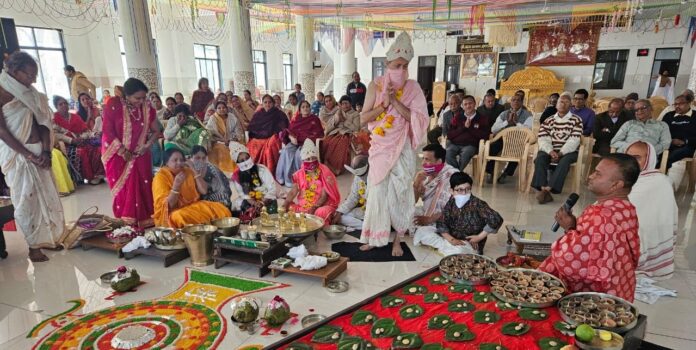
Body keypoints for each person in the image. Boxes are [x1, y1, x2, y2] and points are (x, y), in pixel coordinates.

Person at [359, 31, 429, 256]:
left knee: (400, 193)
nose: (401, 70)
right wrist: (384, 105)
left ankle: (398, 239)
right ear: (387, 63)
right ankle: (374, 236)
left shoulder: (413, 88)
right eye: (397, 65)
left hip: (402, 147)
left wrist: (396, 102)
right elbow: (363, 118)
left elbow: (418, 118)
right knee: (377, 192)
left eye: (405, 66)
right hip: (380, 146)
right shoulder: (375, 86)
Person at [538, 154, 641, 302]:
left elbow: (570, 262)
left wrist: (569, 229)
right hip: (619, 290)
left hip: (595, 299)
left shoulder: (601, 214)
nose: (591, 176)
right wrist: (575, 227)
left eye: (598, 174)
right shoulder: (626, 208)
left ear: (616, 185)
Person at [0, 52, 65, 262]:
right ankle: (33, 246)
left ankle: (51, 239)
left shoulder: (32, 94)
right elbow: (1, 130)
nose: (33, 80)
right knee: (26, 202)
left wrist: (46, 151)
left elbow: (43, 123)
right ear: (14, 71)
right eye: (29, 75)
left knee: (48, 197)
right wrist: (27, 154)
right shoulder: (1, 91)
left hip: (39, 151)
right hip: (18, 156)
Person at [102, 78, 160, 228]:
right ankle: (126, 218)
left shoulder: (147, 106)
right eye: (137, 98)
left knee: (143, 184)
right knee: (124, 187)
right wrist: (121, 151)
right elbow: (107, 131)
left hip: (141, 153)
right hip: (117, 154)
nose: (141, 101)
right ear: (126, 95)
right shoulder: (113, 105)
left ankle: (145, 218)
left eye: (143, 98)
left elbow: (156, 131)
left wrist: (147, 145)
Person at [626, 141, 676, 280]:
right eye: (628, 157)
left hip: (641, 238)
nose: (631, 162)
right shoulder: (626, 178)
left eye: (637, 158)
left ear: (649, 159)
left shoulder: (659, 182)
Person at [427, 172, 503, 255]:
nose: (464, 193)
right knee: (423, 231)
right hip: (453, 239)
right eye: (459, 190)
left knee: (458, 252)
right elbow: (442, 222)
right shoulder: (451, 203)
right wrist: (451, 240)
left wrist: (479, 237)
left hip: (470, 244)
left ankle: (449, 249)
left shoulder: (477, 204)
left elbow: (496, 219)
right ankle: (447, 246)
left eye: (468, 189)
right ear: (451, 191)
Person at [152, 148, 231, 228]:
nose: (179, 163)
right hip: (174, 212)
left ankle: (205, 228)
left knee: (222, 209)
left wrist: (193, 169)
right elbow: (167, 207)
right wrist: (176, 187)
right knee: (179, 217)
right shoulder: (160, 177)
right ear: (166, 162)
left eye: (181, 160)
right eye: (175, 160)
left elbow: (203, 191)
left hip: (194, 207)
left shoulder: (187, 171)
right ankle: (202, 228)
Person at [532, 93, 583, 204]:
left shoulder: (576, 120)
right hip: (550, 150)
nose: (563, 104)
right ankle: (543, 187)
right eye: (561, 101)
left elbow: (574, 140)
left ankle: (548, 190)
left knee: (565, 161)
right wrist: (550, 151)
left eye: (566, 102)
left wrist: (560, 153)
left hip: (569, 151)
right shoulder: (549, 120)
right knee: (540, 158)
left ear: (571, 105)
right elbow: (543, 138)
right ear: (556, 105)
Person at [412, 144, 460, 251]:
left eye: (427, 159)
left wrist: (429, 219)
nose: (423, 163)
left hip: (444, 220)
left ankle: (450, 244)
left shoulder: (452, 176)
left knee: (422, 233)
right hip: (427, 214)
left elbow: (453, 208)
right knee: (402, 215)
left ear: (439, 161)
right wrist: (416, 182)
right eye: (423, 159)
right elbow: (412, 202)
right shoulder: (426, 176)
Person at [283, 139, 340, 226]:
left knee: (321, 212)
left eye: (313, 158)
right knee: (288, 208)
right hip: (304, 206)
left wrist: (314, 207)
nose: (311, 161)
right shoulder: (299, 174)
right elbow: (293, 191)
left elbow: (324, 196)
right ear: (303, 160)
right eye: (308, 159)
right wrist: (285, 204)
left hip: (320, 205)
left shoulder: (324, 172)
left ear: (317, 158)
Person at [52, 95, 105, 185]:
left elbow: (86, 130)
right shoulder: (54, 119)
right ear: (56, 107)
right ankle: (87, 177)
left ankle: (98, 176)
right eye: (60, 104)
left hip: (80, 141)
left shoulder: (75, 117)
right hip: (65, 145)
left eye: (65, 103)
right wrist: (71, 140)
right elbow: (55, 135)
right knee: (82, 152)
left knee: (96, 149)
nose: (64, 105)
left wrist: (83, 137)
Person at [486, 94, 534, 183]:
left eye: (518, 100)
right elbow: (493, 129)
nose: (515, 102)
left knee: (518, 151)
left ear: (522, 102)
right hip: (503, 139)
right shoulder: (504, 113)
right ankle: (490, 172)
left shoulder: (528, 115)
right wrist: (506, 122)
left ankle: (506, 173)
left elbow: (528, 130)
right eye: (513, 100)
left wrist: (516, 123)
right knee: (492, 147)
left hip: (519, 140)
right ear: (510, 102)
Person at [276, 100, 324, 187]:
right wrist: (291, 137)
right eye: (303, 107)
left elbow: (318, 133)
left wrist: (301, 138)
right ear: (300, 109)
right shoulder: (296, 119)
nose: (305, 108)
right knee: (286, 150)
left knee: (299, 153)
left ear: (310, 108)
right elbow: (290, 131)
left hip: (308, 142)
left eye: (307, 106)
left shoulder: (314, 119)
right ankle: (287, 179)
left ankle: (301, 178)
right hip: (295, 142)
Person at [229, 141, 279, 221]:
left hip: (266, 199)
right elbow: (244, 195)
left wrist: (262, 202)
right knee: (237, 204)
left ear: (250, 156)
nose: (245, 162)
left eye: (246, 158)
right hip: (251, 202)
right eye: (241, 160)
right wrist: (255, 203)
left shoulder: (262, 170)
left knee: (270, 213)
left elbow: (272, 189)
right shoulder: (236, 176)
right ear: (237, 163)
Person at [443, 94, 490, 171]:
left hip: (470, 145)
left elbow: (485, 135)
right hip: (455, 144)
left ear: (475, 104)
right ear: (463, 106)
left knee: (466, 153)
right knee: (447, 153)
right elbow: (450, 135)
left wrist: (470, 128)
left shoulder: (482, 118)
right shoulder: (458, 117)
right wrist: (464, 127)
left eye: (470, 103)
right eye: (465, 104)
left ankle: (456, 173)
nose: (468, 106)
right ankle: (457, 173)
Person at [246, 94, 290, 174]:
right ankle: (254, 169)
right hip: (258, 137)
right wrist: (258, 135)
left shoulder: (279, 114)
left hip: (272, 137)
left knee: (270, 144)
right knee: (252, 144)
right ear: (262, 104)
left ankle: (269, 170)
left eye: (270, 102)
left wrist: (271, 134)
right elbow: (252, 127)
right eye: (265, 102)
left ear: (273, 103)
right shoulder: (258, 114)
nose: (267, 104)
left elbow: (283, 127)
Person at [320, 95, 361, 175]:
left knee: (341, 142)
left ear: (350, 104)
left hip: (347, 133)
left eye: (346, 103)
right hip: (336, 132)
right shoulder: (338, 112)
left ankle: (337, 168)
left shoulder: (355, 114)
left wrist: (345, 121)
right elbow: (331, 124)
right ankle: (326, 164)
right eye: (342, 104)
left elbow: (356, 128)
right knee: (326, 142)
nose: (344, 106)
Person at [333, 155, 369, 231]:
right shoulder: (357, 177)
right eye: (358, 175)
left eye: (362, 175)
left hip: (378, 212)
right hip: (364, 210)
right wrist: (339, 212)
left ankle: (370, 227)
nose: (361, 177)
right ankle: (366, 227)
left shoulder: (378, 176)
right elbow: (353, 197)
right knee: (342, 218)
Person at [190, 145, 233, 210]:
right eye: (197, 158)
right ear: (191, 158)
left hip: (219, 202)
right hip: (200, 204)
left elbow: (223, 191)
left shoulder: (212, 170)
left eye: (203, 158)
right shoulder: (188, 170)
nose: (201, 161)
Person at [206, 101, 243, 174]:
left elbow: (238, 130)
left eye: (223, 108)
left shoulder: (232, 117)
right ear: (216, 110)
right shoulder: (212, 118)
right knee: (222, 149)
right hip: (217, 142)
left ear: (227, 109)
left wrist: (233, 139)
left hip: (232, 140)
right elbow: (210, 134)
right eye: (219, 108)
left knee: (238, 148)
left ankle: (237, 170)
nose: (222, 109)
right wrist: (222, 140)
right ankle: (225, 171)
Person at [662, 94, 696, 168]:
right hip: (668, 143)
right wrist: (669, 140)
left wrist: (684, 141)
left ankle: (663, 174)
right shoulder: (669, 116)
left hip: (688, 146)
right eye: (675, 104)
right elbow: (661, 131)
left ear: (689, 103)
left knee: (673, 155)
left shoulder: (694, 116)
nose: (677, 106)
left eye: (681, 104)